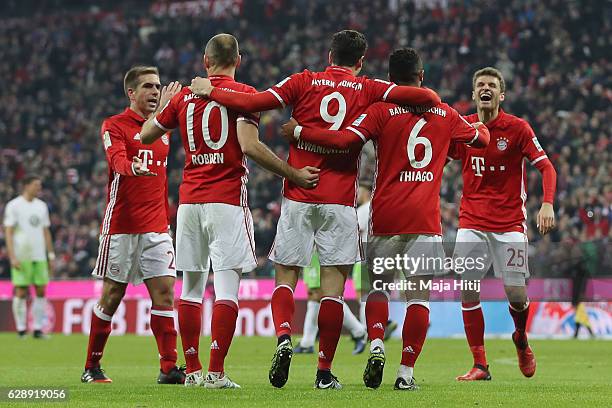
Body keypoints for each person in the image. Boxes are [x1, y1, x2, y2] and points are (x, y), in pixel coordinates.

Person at [190, 29, 441, 390]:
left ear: (328, 56)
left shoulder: (302, 81)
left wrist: (211, 90)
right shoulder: (370, 88)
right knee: (332, 291)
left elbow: (253, 103)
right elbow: (425, 96)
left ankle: (283, 339)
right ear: (360, 62)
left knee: (287, 277)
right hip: (340, 202)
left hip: (298, 194)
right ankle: (323, 372)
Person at [280, 48, 490, 390]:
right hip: (425, 220)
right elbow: (481, 140)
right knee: (418, 298)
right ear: (421, 77)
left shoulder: (380, 110)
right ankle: (405, 375)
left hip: (385, 216)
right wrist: (471, 132)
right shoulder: (447, 114)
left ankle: (376, 345)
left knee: (377, 290)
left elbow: (345, 139)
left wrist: (302, 132)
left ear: (391, 81)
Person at [140, 33, 319, 389]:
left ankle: (191, 371)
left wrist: (165, 106)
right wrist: (294, 173)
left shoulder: (185, 98)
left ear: (205, 62)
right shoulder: (244, 97)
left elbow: (145, 135)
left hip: (189, 204)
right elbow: (250, 147)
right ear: (239, 60)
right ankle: (216, 373)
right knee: (226, 290)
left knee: (190, 289)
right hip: (225, 201)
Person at [449, 67, 557, 381]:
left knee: (516, 294)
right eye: (480, 84)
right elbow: (443, 155)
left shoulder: (518, 128)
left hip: (510, 224)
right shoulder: (465, 127)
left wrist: (547, 203)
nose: (486, 89)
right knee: (468, 290)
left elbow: (547, 168)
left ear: (501, 94)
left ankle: (521, 338)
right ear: (473, 94)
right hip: (471, 220)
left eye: (492, 85)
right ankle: (480, 365)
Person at [81, 66, 185, 385]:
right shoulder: (114, 125)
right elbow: (116, 159)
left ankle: (168, 367)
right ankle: (92, 366)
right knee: (112, 295)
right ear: (132, 93)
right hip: (121, 226)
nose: (155, 92)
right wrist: (131, 167)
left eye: (157, 87)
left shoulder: (163, 127)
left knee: (165, 294)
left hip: (157, 226)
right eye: (148, 87)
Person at [4, 176, 54, 339]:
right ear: (26, 186)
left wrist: (50, 254)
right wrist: (12, 256)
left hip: (39, 255)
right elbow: (9, 232)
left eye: (40, 186)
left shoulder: (42, 206)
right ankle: (21, 329)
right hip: (21, 255)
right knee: (21, 290)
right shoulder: (14, 206)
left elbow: (46, 232)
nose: (39, 188)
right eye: (35, 185)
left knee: (40, 290)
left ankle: (38, 328)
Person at [293, 251, 367, 355]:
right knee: (313, 296)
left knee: (321, 294)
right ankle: (307, 343)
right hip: (310, 251)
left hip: (320, 249)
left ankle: (358, 331)